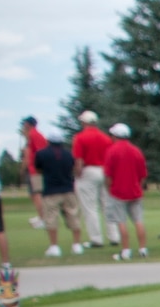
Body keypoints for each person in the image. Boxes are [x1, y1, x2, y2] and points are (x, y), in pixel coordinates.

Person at [33, 127, 85, 256]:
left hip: (50, 190)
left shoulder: (41, 154)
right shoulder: (69, 154)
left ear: (49, 140)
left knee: (51, 219)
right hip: (68, 189)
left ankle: (54, 247)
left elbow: (38, 170)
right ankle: (77, 245)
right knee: (74, 216)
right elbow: (74, 167)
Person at [102, 123, 149, 260]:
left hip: (118, 192)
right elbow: (143, 174)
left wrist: (109, 188)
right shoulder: (136, 151)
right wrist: (139, 187)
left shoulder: (112, 151)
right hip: (135, 191)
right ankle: (142, 248)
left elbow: (108, 175)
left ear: (115, 136)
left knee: (121, 222)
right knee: (138, 220)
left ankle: (126, 250)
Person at [71, 110, 115, 245]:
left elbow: (78, 160)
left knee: (90, 207)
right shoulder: (106, 138)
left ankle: (96, 238)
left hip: (89, 170)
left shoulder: (80, 137)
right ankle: (114, 236)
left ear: (84, 122)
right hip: (104, 171)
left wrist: (77, 174)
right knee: (107, 205)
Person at [19, 116, 48, 228]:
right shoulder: (34, 135)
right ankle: (41, 216)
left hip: (36, 170)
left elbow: (39, 153)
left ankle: (43, 219)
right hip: (35, 169)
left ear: (28, 125)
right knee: (34, 194)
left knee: (37, 194)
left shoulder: (33, 135)